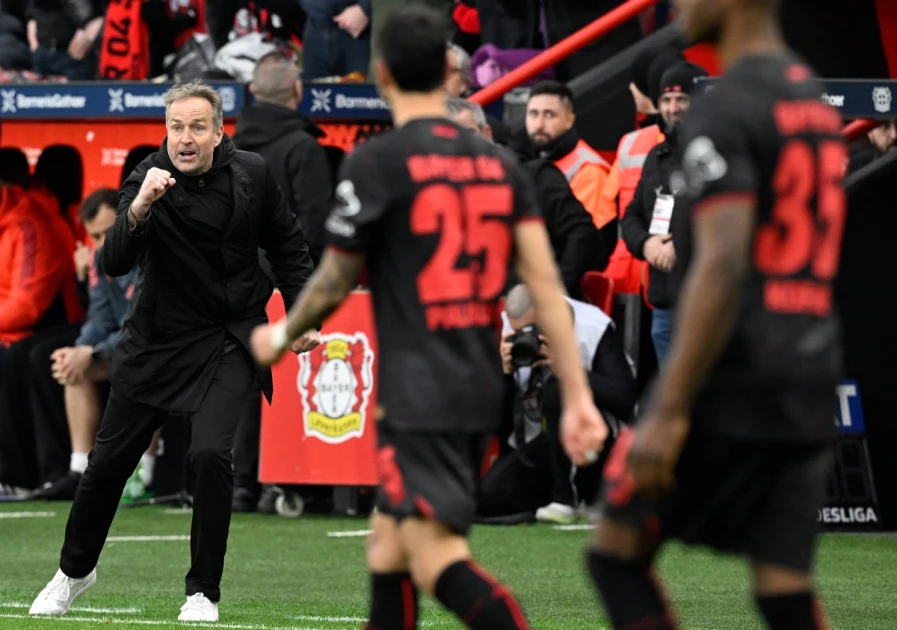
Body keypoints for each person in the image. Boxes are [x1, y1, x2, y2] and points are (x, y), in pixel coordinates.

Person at [250, 7, 607, 629]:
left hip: (419, 393)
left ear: (380, 75)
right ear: (450, 72)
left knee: (435, 555)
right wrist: (577, 396)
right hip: (474, 380)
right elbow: (547, 287)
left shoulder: (377, 162)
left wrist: (280, 333)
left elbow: (335, 277)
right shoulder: (501, 165)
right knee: (387, 546)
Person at [588, 0, 846, 628]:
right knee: (783, 589)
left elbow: (722, 264)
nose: (677, 7)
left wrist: (669, 409)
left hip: (736, 376)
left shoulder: (724, 108)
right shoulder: (810, 99)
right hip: (808, 367)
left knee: (615, 550)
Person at [29, 80, 319, 623]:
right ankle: (73, 573)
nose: (185, 138)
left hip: (229, 336)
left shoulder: (253, 174)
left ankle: (202, 591)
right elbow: (113, 263)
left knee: (209, 455)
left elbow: (288, 245)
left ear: (217, 130)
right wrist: (139, 207)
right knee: (106, 466)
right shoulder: (146, 176)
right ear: (166, 130)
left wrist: (303, 314)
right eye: (175, 127)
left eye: (196, 127)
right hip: (157, 339)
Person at [477, 284, 637, 524]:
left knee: (556, 388)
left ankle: (567, 499)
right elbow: (496, 425)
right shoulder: (512, 334)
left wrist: (568, 370)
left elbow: (625, 399)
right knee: (488, 499)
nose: (528, 338)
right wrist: (505, 375)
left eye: (534, 329)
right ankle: (556, 496)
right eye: (520, 331)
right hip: (542, 446)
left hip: (594, 446)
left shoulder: (592, 327)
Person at [447, 98, 607, 299]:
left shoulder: (535, 176)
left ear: (487, 133)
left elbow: (582, 233)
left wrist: (554, 290)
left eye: (469, 134)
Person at [621, 61, 708, 363]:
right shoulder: (655, 158)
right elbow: (631, 216)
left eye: (682, 99)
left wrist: (678, 246)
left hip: (706, 301)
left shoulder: (715, 151)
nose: (673, 108)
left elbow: (722, 217)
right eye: (666, 101)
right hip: (664, 303)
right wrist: (647, 244)